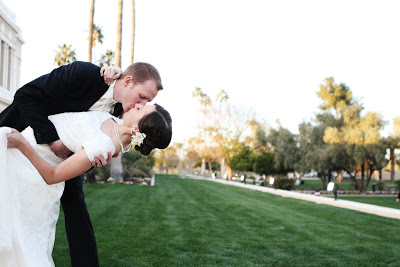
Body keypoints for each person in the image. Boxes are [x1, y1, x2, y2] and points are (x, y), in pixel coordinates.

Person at [0, 61, 163, 266]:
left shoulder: (120, 113)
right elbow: (26, 95)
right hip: (20, 132)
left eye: (147, 101)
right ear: (128, 81)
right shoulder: (83, 74)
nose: (141, 104)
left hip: (62, 160)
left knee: (76, 206)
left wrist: (97, 159)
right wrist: (52, 139)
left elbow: (99, 141)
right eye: (142, 97)